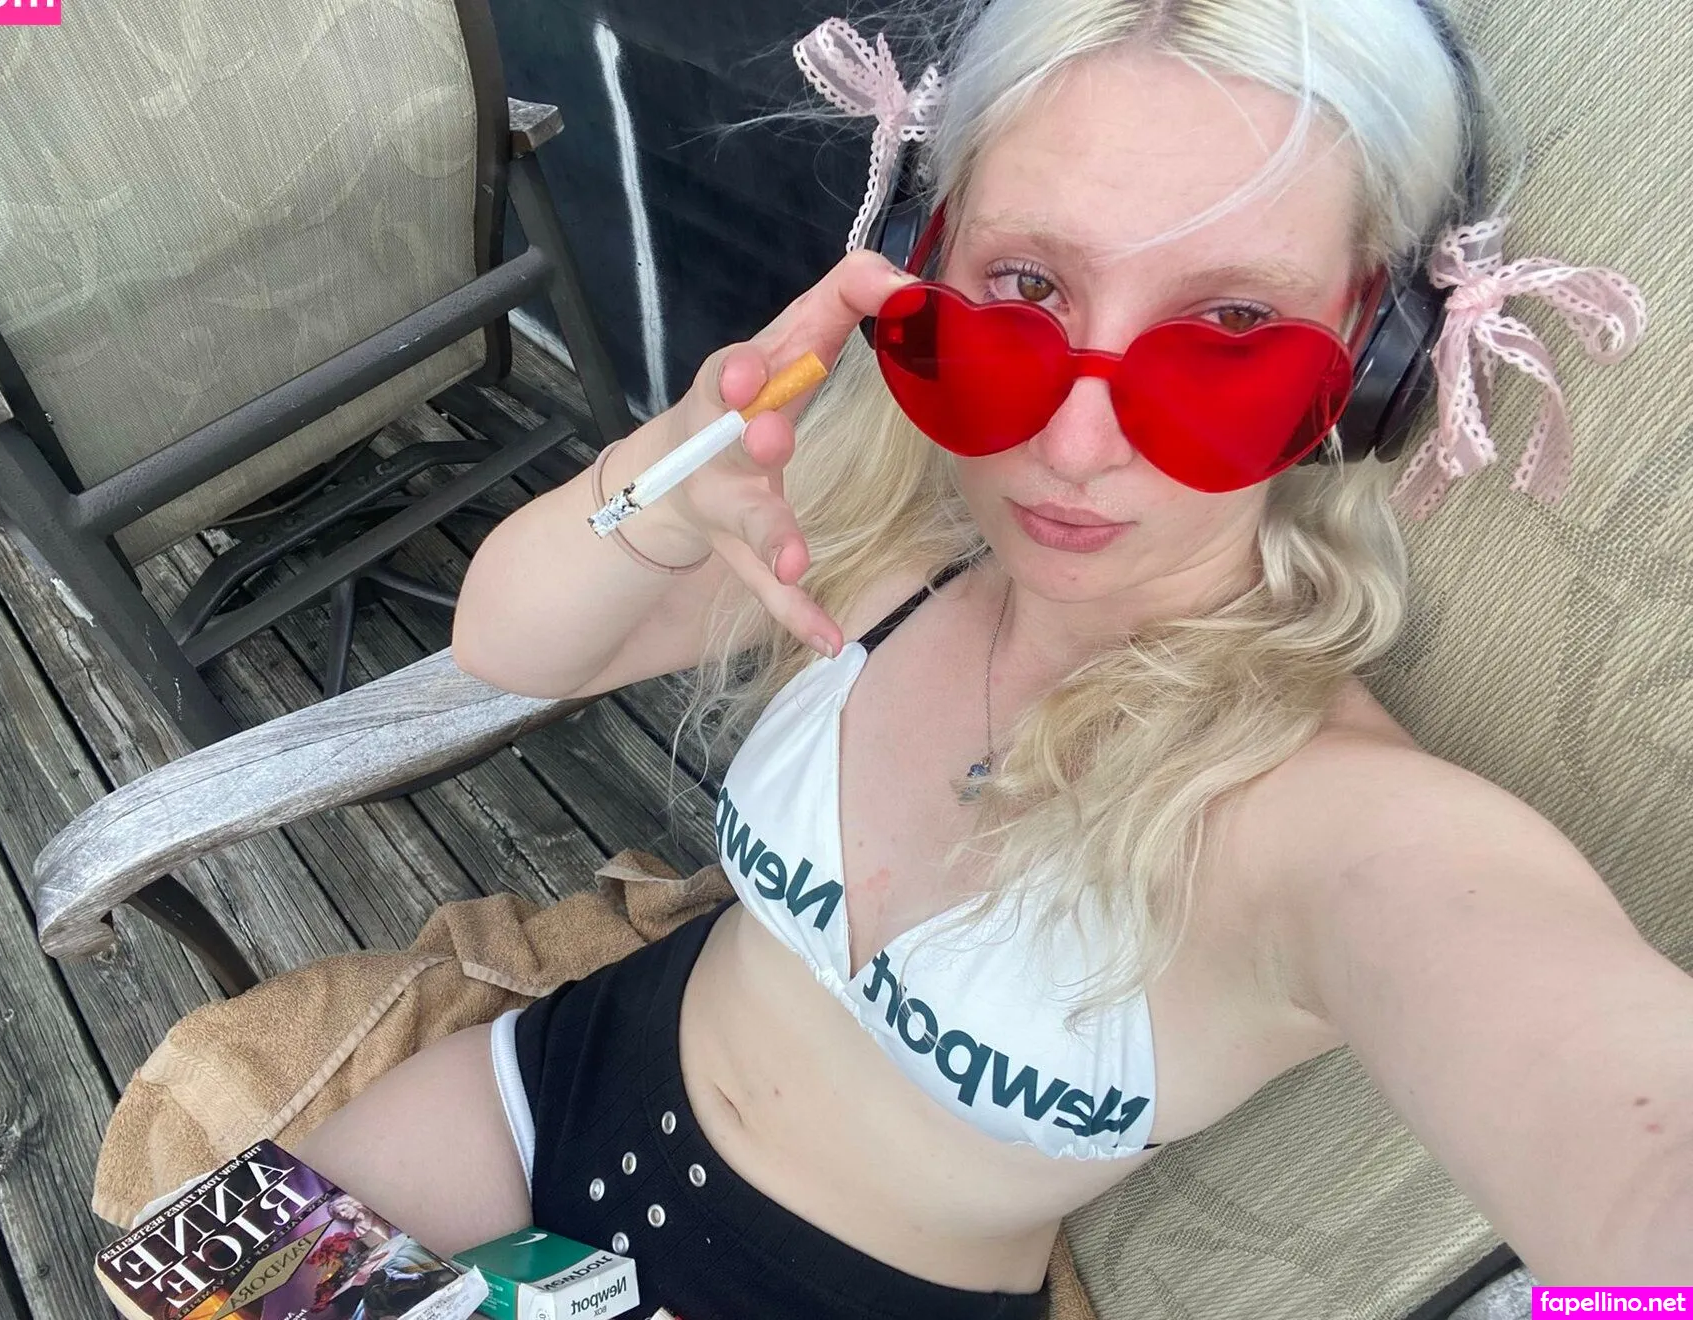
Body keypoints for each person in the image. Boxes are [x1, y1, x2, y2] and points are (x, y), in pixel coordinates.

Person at [296, 0, 1693, 1309]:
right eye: (1026, 286)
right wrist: (672, 472)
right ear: (928, 264)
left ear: (1369, 363)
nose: (1075, 445)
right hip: (536, 1100)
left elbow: (1630, 1150)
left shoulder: (1329, 819)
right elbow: (502, 643)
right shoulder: (884, 550)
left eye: (1231, 327)